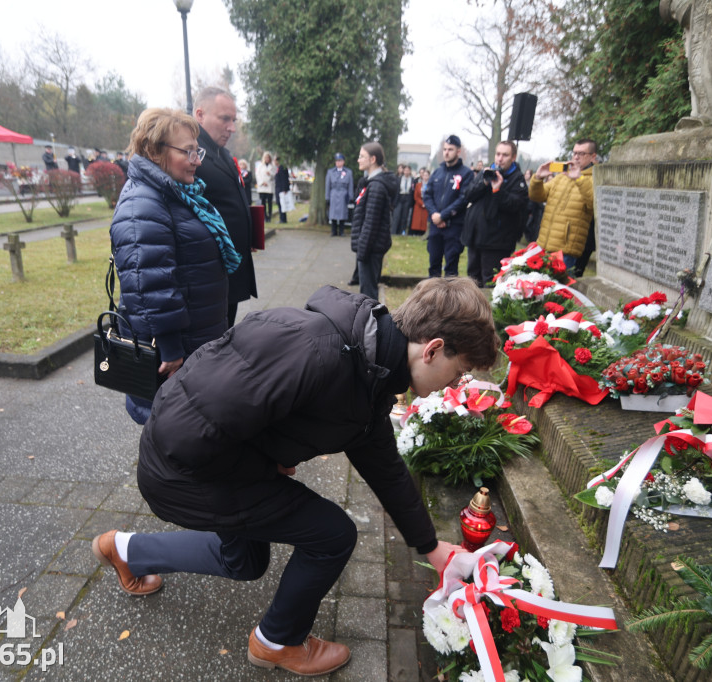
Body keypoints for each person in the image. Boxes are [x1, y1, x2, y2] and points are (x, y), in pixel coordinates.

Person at [90, 276, 496, 676]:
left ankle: (126, 551)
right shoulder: (316, 352)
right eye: (460, 371)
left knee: (245, 560)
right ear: (434, 349)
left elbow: (385, 467)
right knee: (333, 534)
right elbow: (188, 432)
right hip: (181, 469)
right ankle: (277, 642)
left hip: (206, 460)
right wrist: (266, 468)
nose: (455, 384)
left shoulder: (371, 371)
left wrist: (429, 546)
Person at [109, 107, 239, 425]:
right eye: (188, 151)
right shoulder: (144, 203)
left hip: (197, 339)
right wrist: (169, 349)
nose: (197, 160)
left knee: (193, 427)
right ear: (154, 151)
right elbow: (149, 285)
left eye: (198, 150)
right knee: (177, 430)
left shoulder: (175, 194)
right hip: (178, 351)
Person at [192, 86, 257, 327]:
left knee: (225, 332)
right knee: (212, 342)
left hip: (232, 268)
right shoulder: (191, 153)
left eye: (234, 120)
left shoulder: (222, 153)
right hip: (211, 273)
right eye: (225, 119)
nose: (232, 127)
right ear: (200, 115)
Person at [460, 140, 530, 287]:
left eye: (505, 155)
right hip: (475, 237)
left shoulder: (517, 179)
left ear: (513, 157)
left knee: (491, 281)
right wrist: (484, 183)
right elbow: (468, 194)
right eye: (498, 154)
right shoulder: (486, 172)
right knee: (473, 279)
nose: (500, 158)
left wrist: (498, 190)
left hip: (497, 242)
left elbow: (516, 205)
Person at [529, 138, 598, 271]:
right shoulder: (561, 177)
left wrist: (579, 179)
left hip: (566, 250)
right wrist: (537, 179)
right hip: (544, 244)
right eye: (574, 153)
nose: (576, 157)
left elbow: (594, 204)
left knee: (557, 289)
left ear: (592, 157)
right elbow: (537, 196)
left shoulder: (594, 178)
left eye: (581, 154)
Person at [350, 142, 397, 300]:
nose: (358, 160)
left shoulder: (376, 186)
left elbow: (370, 223)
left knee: (368, 296)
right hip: (370, 247)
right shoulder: (371, 183)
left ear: (373, 159)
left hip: (370, 248)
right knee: (368, 291)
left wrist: (362, 252)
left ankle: (371, 324)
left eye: (362, 156)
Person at [423, 135, 473, 278]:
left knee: (451, 269)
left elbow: (463, 198)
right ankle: (432, 299)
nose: (446, 152)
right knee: (434, 266)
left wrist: (443, 216)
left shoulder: (466, 173)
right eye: (444, 149)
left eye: (450, 149)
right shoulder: (437, 172)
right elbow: (427, 194)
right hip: (435, 227)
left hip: (453, 227)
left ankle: (450, 300)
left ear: (458, 151)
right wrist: (434, 215)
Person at [325, 152, 353, 237]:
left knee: (342, 214)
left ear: (343, 162)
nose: (338, 163)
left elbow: (350, 185)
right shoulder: (330, 172)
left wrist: (350, 196)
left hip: (343, 194)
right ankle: (333, 231)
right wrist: (327, 197)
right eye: (337, 161)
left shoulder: (348, 172)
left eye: (340, 161)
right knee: (333, 213)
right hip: (333, 194)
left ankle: (341, 231)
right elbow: (327, 185)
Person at [392, 164, 415, 235]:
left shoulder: (413, 180)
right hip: (400, 197)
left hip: (407, 197)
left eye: (408, 170)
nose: (406, 172)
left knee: (405, 216)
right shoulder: (399, 179)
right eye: (405, 170)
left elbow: (412, 190)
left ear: (410, 171)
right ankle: (393, 232)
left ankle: (402, 231)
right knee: (397, 215)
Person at [410, 167, 430, 235]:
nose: (425, 177)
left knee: (424, 221)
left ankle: (423, 233)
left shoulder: (431, 185)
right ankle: (415, 233)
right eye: (424, 175)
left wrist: (426, 203)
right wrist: (421, 203)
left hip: (427, 204)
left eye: (426, 175)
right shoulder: (418, 185)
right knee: (417, 220)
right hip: (419, 204)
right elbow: (416, 196)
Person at [255, 151, 274, 219]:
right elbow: (257, 175)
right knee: (263, 202)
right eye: (266, 157)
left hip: (269, 186)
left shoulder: (272, 166)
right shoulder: (260, 166)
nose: (267, 159)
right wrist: (262, 182)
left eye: (268, 158)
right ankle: (264, 216)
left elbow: (274, 175)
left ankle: (269, 215)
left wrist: (270, 174)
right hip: (262, 186)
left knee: (269, 202)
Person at [274, 155, 290, 224]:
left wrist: (284, 189)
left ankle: (283, 219)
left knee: (281, 204)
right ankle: (282, 218)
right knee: (280, 204)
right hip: (279, 188)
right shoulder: (279, 168)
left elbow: (283, 179)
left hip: (281, 189)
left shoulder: (281, 168)